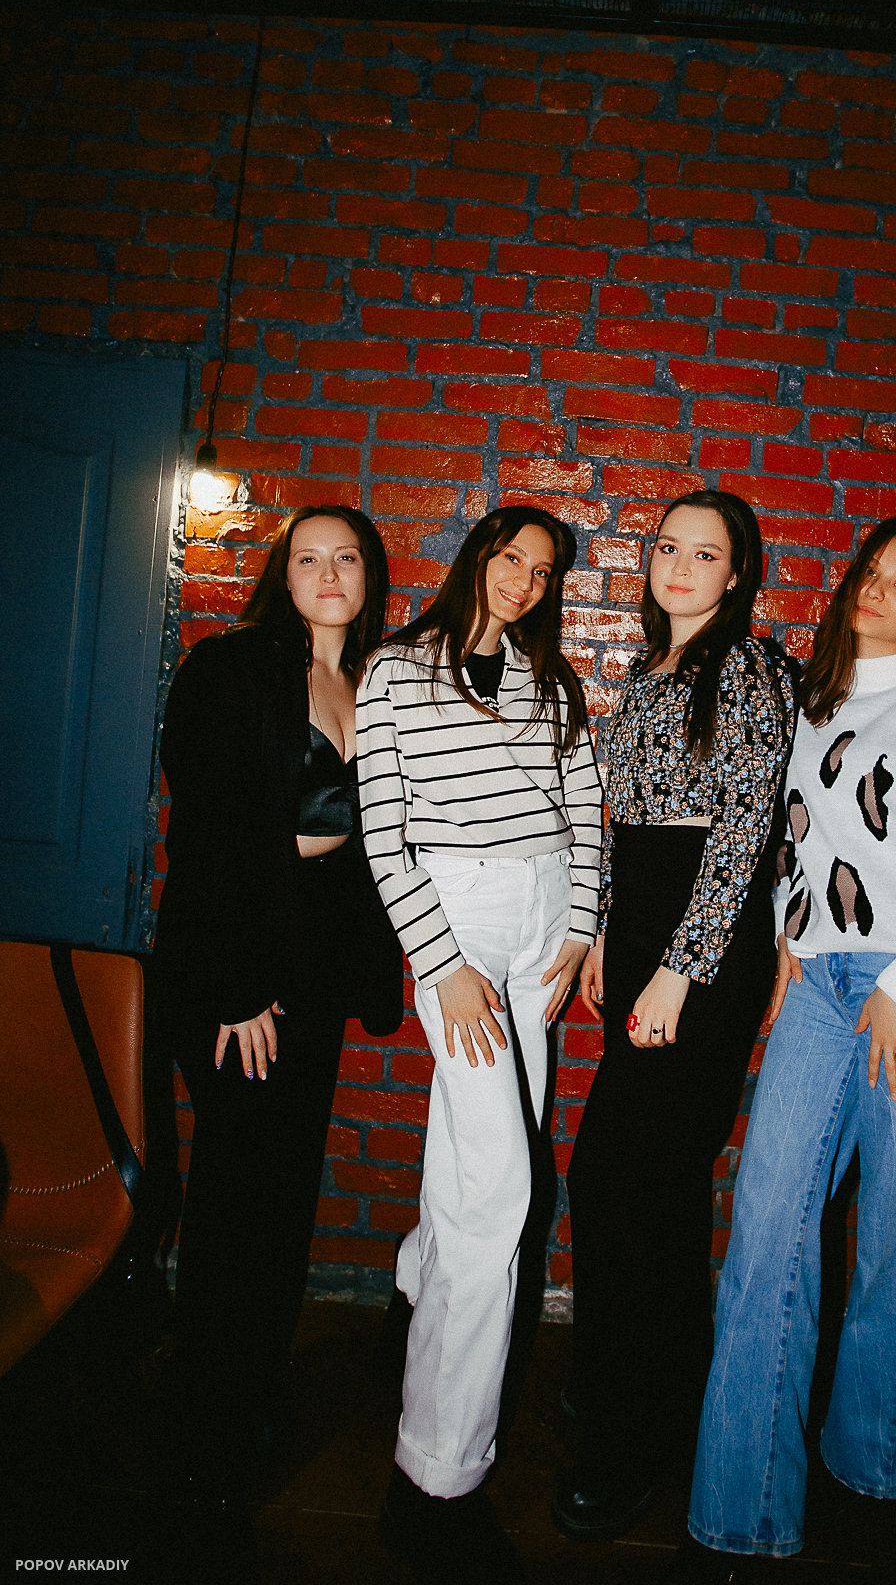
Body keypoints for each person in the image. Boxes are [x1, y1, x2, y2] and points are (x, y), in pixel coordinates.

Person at [681, 511, 896, 1569]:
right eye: (870, 572)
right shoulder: (811, 706)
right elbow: (797, 844)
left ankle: (869, 1479)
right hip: (821, 995)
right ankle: (743, 1512)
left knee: (895, 1249)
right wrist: (790, 939)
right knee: (764, 1231)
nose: (877, 589)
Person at [356, 504, 603, 1584]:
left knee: (477, 1160)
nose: (525, 583)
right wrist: (441, 963)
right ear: (478, 558)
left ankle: (416, 1288)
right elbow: (384, 832)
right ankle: (433, 1479)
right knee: (498, 1192)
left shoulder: (552, 684)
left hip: (540, 931)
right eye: (512, 560)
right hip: (457, 928)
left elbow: (584, 811)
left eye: (543, 572)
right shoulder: (397, 672)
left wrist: (582, 924)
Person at [154, 504, 402, 1557]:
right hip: (235, 963)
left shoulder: (375, 680)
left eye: (346, 558)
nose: (328, 572)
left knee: (282, 1191)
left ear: (369, 575)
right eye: (308, 558)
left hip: (313, 968)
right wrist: (234, 988)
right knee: (234, 1203)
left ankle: (248, 1392)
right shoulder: (231, 668)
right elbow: (208, 829)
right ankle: (199, 1439)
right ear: (281, 573)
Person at [554, 490, 796, 1541]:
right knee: (623, 1182)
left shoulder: (749, 669)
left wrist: (679, 972)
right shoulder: (649, 671)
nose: (680, 566)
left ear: (736, 576)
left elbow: (740, 833)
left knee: (635, 1184)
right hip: (651, 924)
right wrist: (613, 933)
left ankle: (639, 1433)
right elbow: (632, 825)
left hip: (705, 943)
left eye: (706, 554)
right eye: (667, 548)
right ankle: (632, 1385)